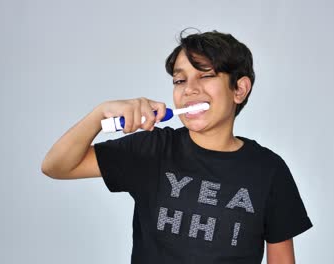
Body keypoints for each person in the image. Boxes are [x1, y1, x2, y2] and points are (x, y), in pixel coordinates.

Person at [42, 30, 312, 264]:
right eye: (180, 80)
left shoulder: (269, 170)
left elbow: (282, 259)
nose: (189, 89)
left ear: (239, 89)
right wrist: (99, 115)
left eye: (205, 75)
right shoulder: (154, 149)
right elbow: (56, 166)